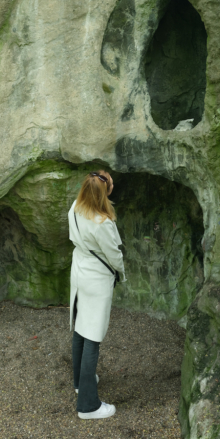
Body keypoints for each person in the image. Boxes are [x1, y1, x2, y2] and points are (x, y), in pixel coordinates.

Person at [68, 170, 126, 420]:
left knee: (81, 327)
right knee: (93, 335)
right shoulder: (103, 222)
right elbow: (114, 255)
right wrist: (122, 274)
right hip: (96, 279)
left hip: (79, 271)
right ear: (106, 192)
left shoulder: (74, 208)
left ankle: (81, 381)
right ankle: (88, 406)